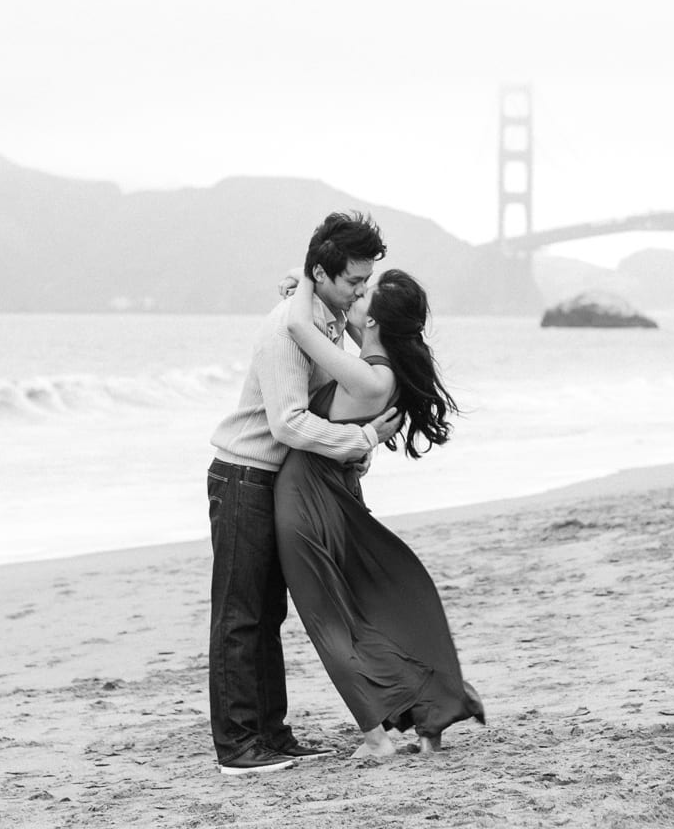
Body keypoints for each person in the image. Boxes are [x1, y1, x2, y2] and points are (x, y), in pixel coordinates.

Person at [207, 212, 403, 776]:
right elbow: (289, 423)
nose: (361, 292)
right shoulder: (285, 328)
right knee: (240, 615)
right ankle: (239, 746)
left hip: (272, 480)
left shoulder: (320, 317)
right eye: (352, 282)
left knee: (268, 614)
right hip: (243, 474)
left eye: (366, 282)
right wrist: (358, 439)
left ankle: (270, 735)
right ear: (323, 272)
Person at [273, 265, 485, 758]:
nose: (355, 296)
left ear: (374, 323)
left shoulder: (369, 377)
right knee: (359, 612)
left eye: (364, 293)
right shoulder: (379, 365)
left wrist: (308, 278)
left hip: (305, 498)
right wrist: (310, 291)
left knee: (329, 619)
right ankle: (421, 714)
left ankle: (375, 738)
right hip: (331, 495)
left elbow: (300, 329)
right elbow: (342, 324)